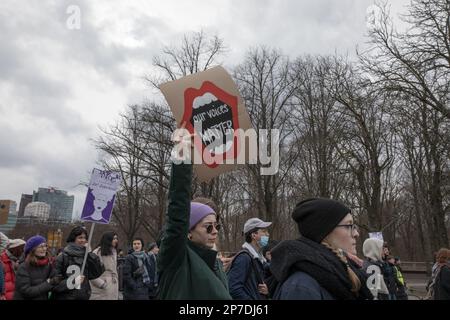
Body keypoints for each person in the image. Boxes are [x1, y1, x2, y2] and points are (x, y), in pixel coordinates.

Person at [157, 127, 231, 300]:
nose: (215, 231)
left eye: (217, 226)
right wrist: (182, 156)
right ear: (188, 232)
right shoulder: (176, 257)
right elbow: (177, 211)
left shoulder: (214, 261)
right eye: (208, 227)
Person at [270, 198, 366, 300]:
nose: (356, 233)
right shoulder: (302, 287)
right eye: (348, 225)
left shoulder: (340, 270)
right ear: (325, 232)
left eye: (354, 226)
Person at [52, 226, 104, 300]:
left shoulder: (86, 256)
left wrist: (90, 254)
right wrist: (73, 281)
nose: (83, 240)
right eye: (80, 237)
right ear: (73, 239)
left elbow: (96, 273)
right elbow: (54, 285)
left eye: (84, 238)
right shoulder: (62, 257)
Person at [228, 218, 272, 300]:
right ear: (254, 235)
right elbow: (234, 289)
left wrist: (267, 291)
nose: (268, 234)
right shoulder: (244, 258)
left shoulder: (259, 258)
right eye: (264, 231)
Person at [13, 235, 61, 300]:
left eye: (45, 246)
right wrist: (48, 283)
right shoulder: (23, 267)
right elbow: (27, 292)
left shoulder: (48, 265)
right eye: (41, 246)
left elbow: (55, 282)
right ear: (32, 249)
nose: (44, 249)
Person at [90, 232, 119, 300]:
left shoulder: (113, 252)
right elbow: (91, 272)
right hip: (101, 286)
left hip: (113, 284)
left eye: (116, 238)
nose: (116, 240)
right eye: (114, 238)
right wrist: (101, 284)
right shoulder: (97, 252)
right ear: (108, 240)